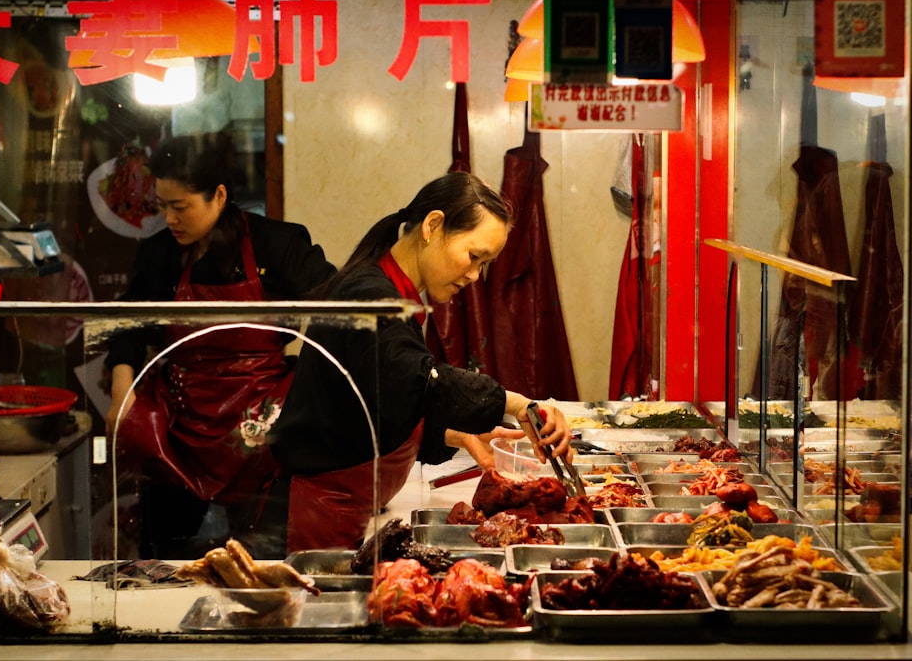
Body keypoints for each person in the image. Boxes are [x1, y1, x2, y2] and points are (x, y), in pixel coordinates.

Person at [262, 170, 571, 555]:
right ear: (433, 226)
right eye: (474, 257)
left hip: (349, 507)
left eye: (484, 264)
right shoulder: (371, 296)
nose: (474, 275)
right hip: (314, 516)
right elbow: (416, 378)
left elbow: (377, 402)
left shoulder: (397, 295)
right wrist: (519, 404)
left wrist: (453, 435)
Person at [103, 132, 336, 559]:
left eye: (180, 206)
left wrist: (311, 388)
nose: (170, 219)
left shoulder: (277, 245)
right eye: (162, 206)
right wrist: (123, 394)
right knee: (167, 566)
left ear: (220, 195)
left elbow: (342, 309)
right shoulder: (159, 255)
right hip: (179, 431)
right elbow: (128, 326)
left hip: (262, 432)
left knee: (259, 565)